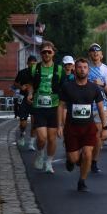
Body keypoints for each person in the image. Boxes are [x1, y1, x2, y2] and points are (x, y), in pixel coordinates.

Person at [57, 57, 107, 193]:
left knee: (87, 153)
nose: (82, 70)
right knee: (74, 158)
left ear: (88, 70)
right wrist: (60, 125)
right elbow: (61, 106)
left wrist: (105, 127)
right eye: (79, 67)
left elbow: (101, 108)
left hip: (88, 127)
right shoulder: (67, 87)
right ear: (75, 69)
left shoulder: (94, 88)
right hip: (72, 127)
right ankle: (71, 160)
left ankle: (82, 181)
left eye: (85, 67)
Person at [25, 41, 65, 174]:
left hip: (54, 107)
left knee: (52, 139)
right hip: (39, 107)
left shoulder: (59, 69)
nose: (46, 54)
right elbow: (30, 83)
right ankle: (40, 153)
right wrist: (30, 93)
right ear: (40, 53)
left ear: (53, 53)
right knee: (42, 137)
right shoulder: (34, 68)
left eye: (49, 52)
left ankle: (49, 162)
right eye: (44, 52)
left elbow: (64, 88)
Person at [86, 44, 107, 171]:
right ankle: (84, 154)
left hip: (100, 105)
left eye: (97, 51)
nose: (95, 53)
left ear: (101, 55)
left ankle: (94, 162)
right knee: (85, 133)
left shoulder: (105, 69)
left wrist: (101, 84)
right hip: (85, 105)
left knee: (97, 136)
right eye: (92, 51)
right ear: (89, 54)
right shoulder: (84, 67)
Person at [13, 55, 38, 148]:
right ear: (27, 63)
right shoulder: (22, 72)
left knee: (35, 123)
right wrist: (21, 87)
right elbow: (15, 83)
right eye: (31, 64)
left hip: (35, 98)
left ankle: (31, 143)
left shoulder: (38, 73)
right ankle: (22, 133)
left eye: (34, 64)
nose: (32, 65)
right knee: (23, 123)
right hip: (23, 98)